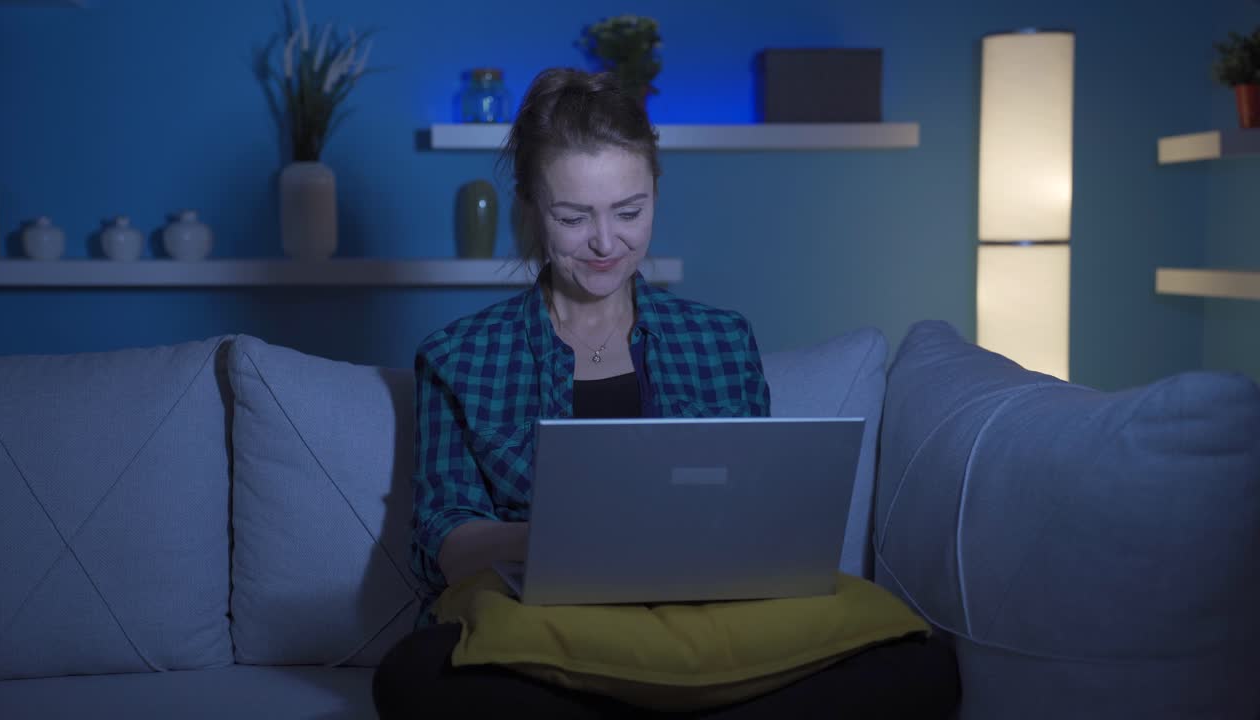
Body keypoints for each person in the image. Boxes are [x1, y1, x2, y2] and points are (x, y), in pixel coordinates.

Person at [372, 67, 959, 718]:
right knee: (414, 676)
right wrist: (565, 537)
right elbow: (444, 543)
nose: (605, 243)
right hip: (549, 635)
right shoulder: (458, 358)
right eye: (573, 217)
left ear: (655, 191)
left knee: (923, 667)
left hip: (713, 626)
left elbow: (756, 517)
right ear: (530, 207)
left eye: (630, 212)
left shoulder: (721, 339)